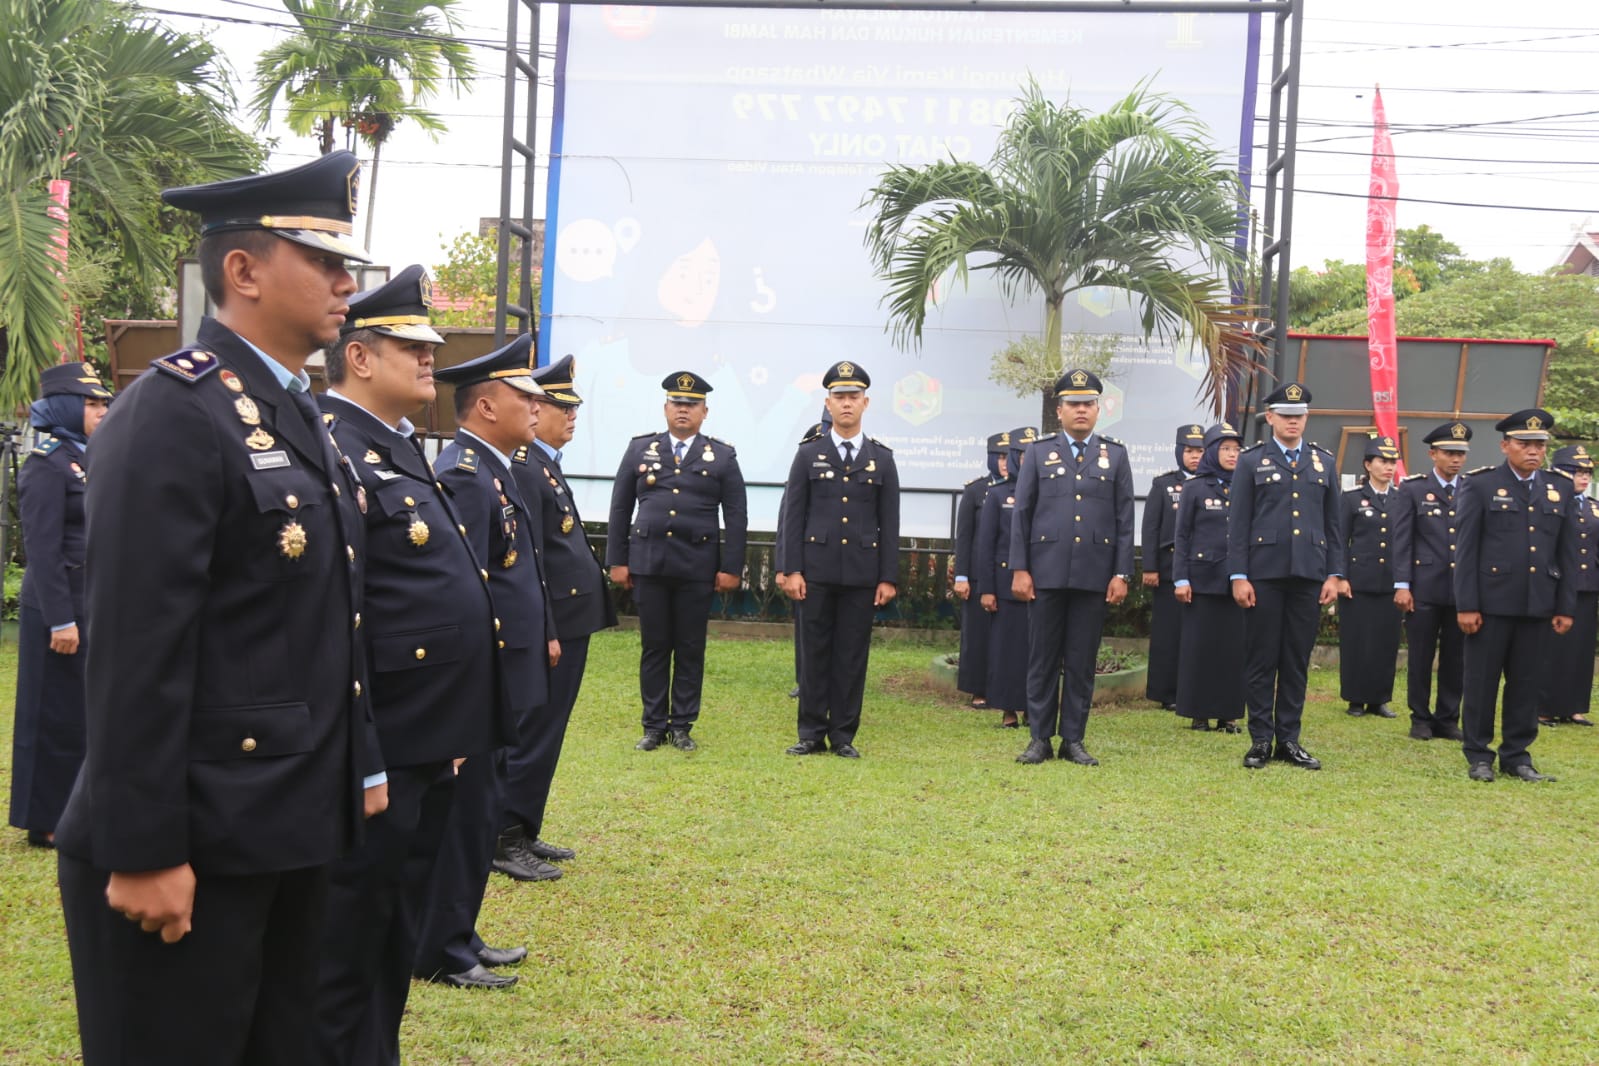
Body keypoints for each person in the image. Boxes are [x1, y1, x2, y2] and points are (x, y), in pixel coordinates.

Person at [54, 151, 382, 1066]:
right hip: (192, 838)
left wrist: (360, 770)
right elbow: (135, 647)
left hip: (283, 824)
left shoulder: (297, 411)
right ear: (242, 271)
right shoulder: (174, 411)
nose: (345, 281)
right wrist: (144, 848)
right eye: (320, 259)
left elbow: (318, 624)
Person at [309, 267, 513, 1062]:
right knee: (349, 931)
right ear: (359, 357)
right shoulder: (338, 449)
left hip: (421, 738)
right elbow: (344, 617)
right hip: (379, 744)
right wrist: (367, 751)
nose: (431, 360)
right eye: (412, 347)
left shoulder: (393, 447)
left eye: (430, 347)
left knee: (388, 924)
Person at [413, 334, 558, 988]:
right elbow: (461, 590)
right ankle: (441, 948)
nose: (536, 404)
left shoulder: (496, 466)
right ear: (484, 405)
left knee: (480, 810)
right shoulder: (464, 474)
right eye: (522, 394)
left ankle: (460, 932)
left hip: (503, 674)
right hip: (481, 677)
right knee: (463, 817)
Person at [494, 354, 617, 883]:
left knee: (550, 729)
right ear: (534, 410)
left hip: (570, 620)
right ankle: (504, 837)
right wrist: (544, 628)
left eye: (574, 407)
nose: (570, 416)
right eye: (558, 406)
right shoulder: (524, 466)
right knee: (533, 730)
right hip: (553, 625)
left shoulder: (543, 462)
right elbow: (531, 559)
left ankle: (525, 824)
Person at [607, 371, 748, 751]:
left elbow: (735, 516)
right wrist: (616, 561)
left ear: (705, 411)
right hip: (649, 564)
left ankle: (682, 724)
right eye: (677, 403)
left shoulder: (722, 455)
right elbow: (620, 507)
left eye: (691, 405)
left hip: (696, 567)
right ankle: (653, 725)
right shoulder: (640, 449)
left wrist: (731, 568)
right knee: (654, 645)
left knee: (689, 646)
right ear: (666, 407)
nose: (683, 410)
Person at [1009, 368, 1134, 766]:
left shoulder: (1115, 454)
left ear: (1099, 410)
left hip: (1093, 574)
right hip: (1044, 572)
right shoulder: (1038, 452)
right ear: (1059, 410)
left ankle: (1074, 739)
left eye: (1088, 404)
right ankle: (1039, 739)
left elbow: (1124, 518)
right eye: (1073, 404)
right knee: (1042, 658)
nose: (1081, 411)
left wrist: (1121, 572)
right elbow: (1023, 514)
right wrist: (1020, 568)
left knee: (1081, 661)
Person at [9, 363, 110, 849]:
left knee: (83, 710)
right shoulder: (46, 464)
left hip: (90, 601)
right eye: (90, 403)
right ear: (67, 406)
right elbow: (43, 550)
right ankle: (44, 817)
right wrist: (61, 619)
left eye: (102, 403)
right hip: (58, 607)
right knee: (52, 713)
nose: (100, 411)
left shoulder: (87, 457)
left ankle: (77, 807)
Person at [777, 361, 900, 757]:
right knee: (813, 652)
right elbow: (792, 516)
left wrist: (888, 577)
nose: (846, 404)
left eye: (853, 397)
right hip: (815, 572)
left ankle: (843, 735)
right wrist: (789, 568)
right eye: (839, 397)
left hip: (862, 575)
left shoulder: (882, 459)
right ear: (827, 403)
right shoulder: (808, 454)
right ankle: (811, 732)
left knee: (851, 655)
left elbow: (889, 523)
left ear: (866, 402)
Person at [1454, 409, 1577, 783]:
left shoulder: (1561, 487)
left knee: (1526, 683)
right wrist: (1467, 604)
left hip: (1538, 603)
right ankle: (1478, 755)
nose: (1533, 451)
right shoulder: (1480, 485)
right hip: (1490, 604)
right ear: (1505, 445)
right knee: (1481, 683)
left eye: (1540, 445)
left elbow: (1567, 552)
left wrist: (1564, 605)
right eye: (1524, 444)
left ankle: (1517, 756)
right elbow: (1465, 550)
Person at [1227, 382, 1342, 771]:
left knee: (1295, 660)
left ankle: (1289, 739)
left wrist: (1335, 575)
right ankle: (1260, 739)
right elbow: (1238, 523)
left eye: (1299, 416)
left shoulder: (1324, 461)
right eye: (1285, 415)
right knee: (1261, 660)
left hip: (1309, 575)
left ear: (1306, 418)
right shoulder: (1250, 461)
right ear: (1270, 418)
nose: (1293, 422)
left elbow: (1333, 524)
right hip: (1263, 576)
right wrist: (1239, 575)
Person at [1391, 421, 1471, 742]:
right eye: (1450, 453)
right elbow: (1402, 540)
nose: (1456, 459)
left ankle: (1448, 718)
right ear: (1432, 453)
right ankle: (1420, 717)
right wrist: (1402, 584)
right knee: (1421, 656)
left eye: (1461, 454)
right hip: (1423, 586)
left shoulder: (1471, 488)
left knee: (1457, 657)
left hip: (1461, 590)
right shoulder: (1413, 489)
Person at [1172, 422, 1245, 733]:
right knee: (1199, 649)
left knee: (1233, 649)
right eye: (1225, 449)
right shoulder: (1195, 487)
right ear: (1213, 452)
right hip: (1201, 579)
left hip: (1237, 582)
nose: (1232, 455)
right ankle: (1198, 712)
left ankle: (1228, 714)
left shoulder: (1246, 484)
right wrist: (1180, 579)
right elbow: (1183, 536)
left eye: (1236, 449)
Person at [974, 427, 1037, 729]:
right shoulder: (998, 493)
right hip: (1004, 586)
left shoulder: (1048, 492)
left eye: (1030, 454)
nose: (1025, 460)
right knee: (1006, 650)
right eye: (1020, 455)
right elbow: (985, 545)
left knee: (1035, 650)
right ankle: (1008, 709)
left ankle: (1033, 708)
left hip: (1040, 586)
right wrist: (987, 589)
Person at [1337, 435, 1403, 720]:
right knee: (1357, 640)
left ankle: (1379, 698)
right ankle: (1355, 697)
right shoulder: (1351, 499)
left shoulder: (1402, 499)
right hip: (1358, 579)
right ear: (1368, 465)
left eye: (1392, 462)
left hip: (1391, 580)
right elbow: (1339, 540)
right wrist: (1340, 576)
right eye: (1382, 461)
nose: (1388, 467)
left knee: (1386, 641)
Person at [1142, 424, 1205, 711]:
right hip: (1168, 570)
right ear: (1180, 452)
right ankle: (1166, 691)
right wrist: (1150, 567)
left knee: (1198, 633)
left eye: (1200, 451)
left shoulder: (1213, 484)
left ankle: (1194, 689)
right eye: (1190, 451)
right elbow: (1151, 528)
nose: (1195, 457)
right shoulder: (1164, 485)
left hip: (1202, 570)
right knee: (1169, 633)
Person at [1540, 444, 1599, 726]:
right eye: (1576, 472)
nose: (1584, 477)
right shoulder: (1549, 505)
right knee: (1553, 649)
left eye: (1587, 472)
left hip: (1587, 586)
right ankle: (1545, 706)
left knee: (1581, 649)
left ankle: (1574, 706)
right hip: (1556, 585)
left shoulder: (1593, 508)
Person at [954, 433, 1006, 709]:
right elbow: (964, 536)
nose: (1005, 462)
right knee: (977, 634)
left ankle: (1004, 689)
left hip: (1008, 574)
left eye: (1009, 456)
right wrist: (961, 575)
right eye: (999, 456)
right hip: (976, 574)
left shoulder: (1023, 487)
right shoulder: (976, 490)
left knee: (1006, 635)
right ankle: (978, 688)